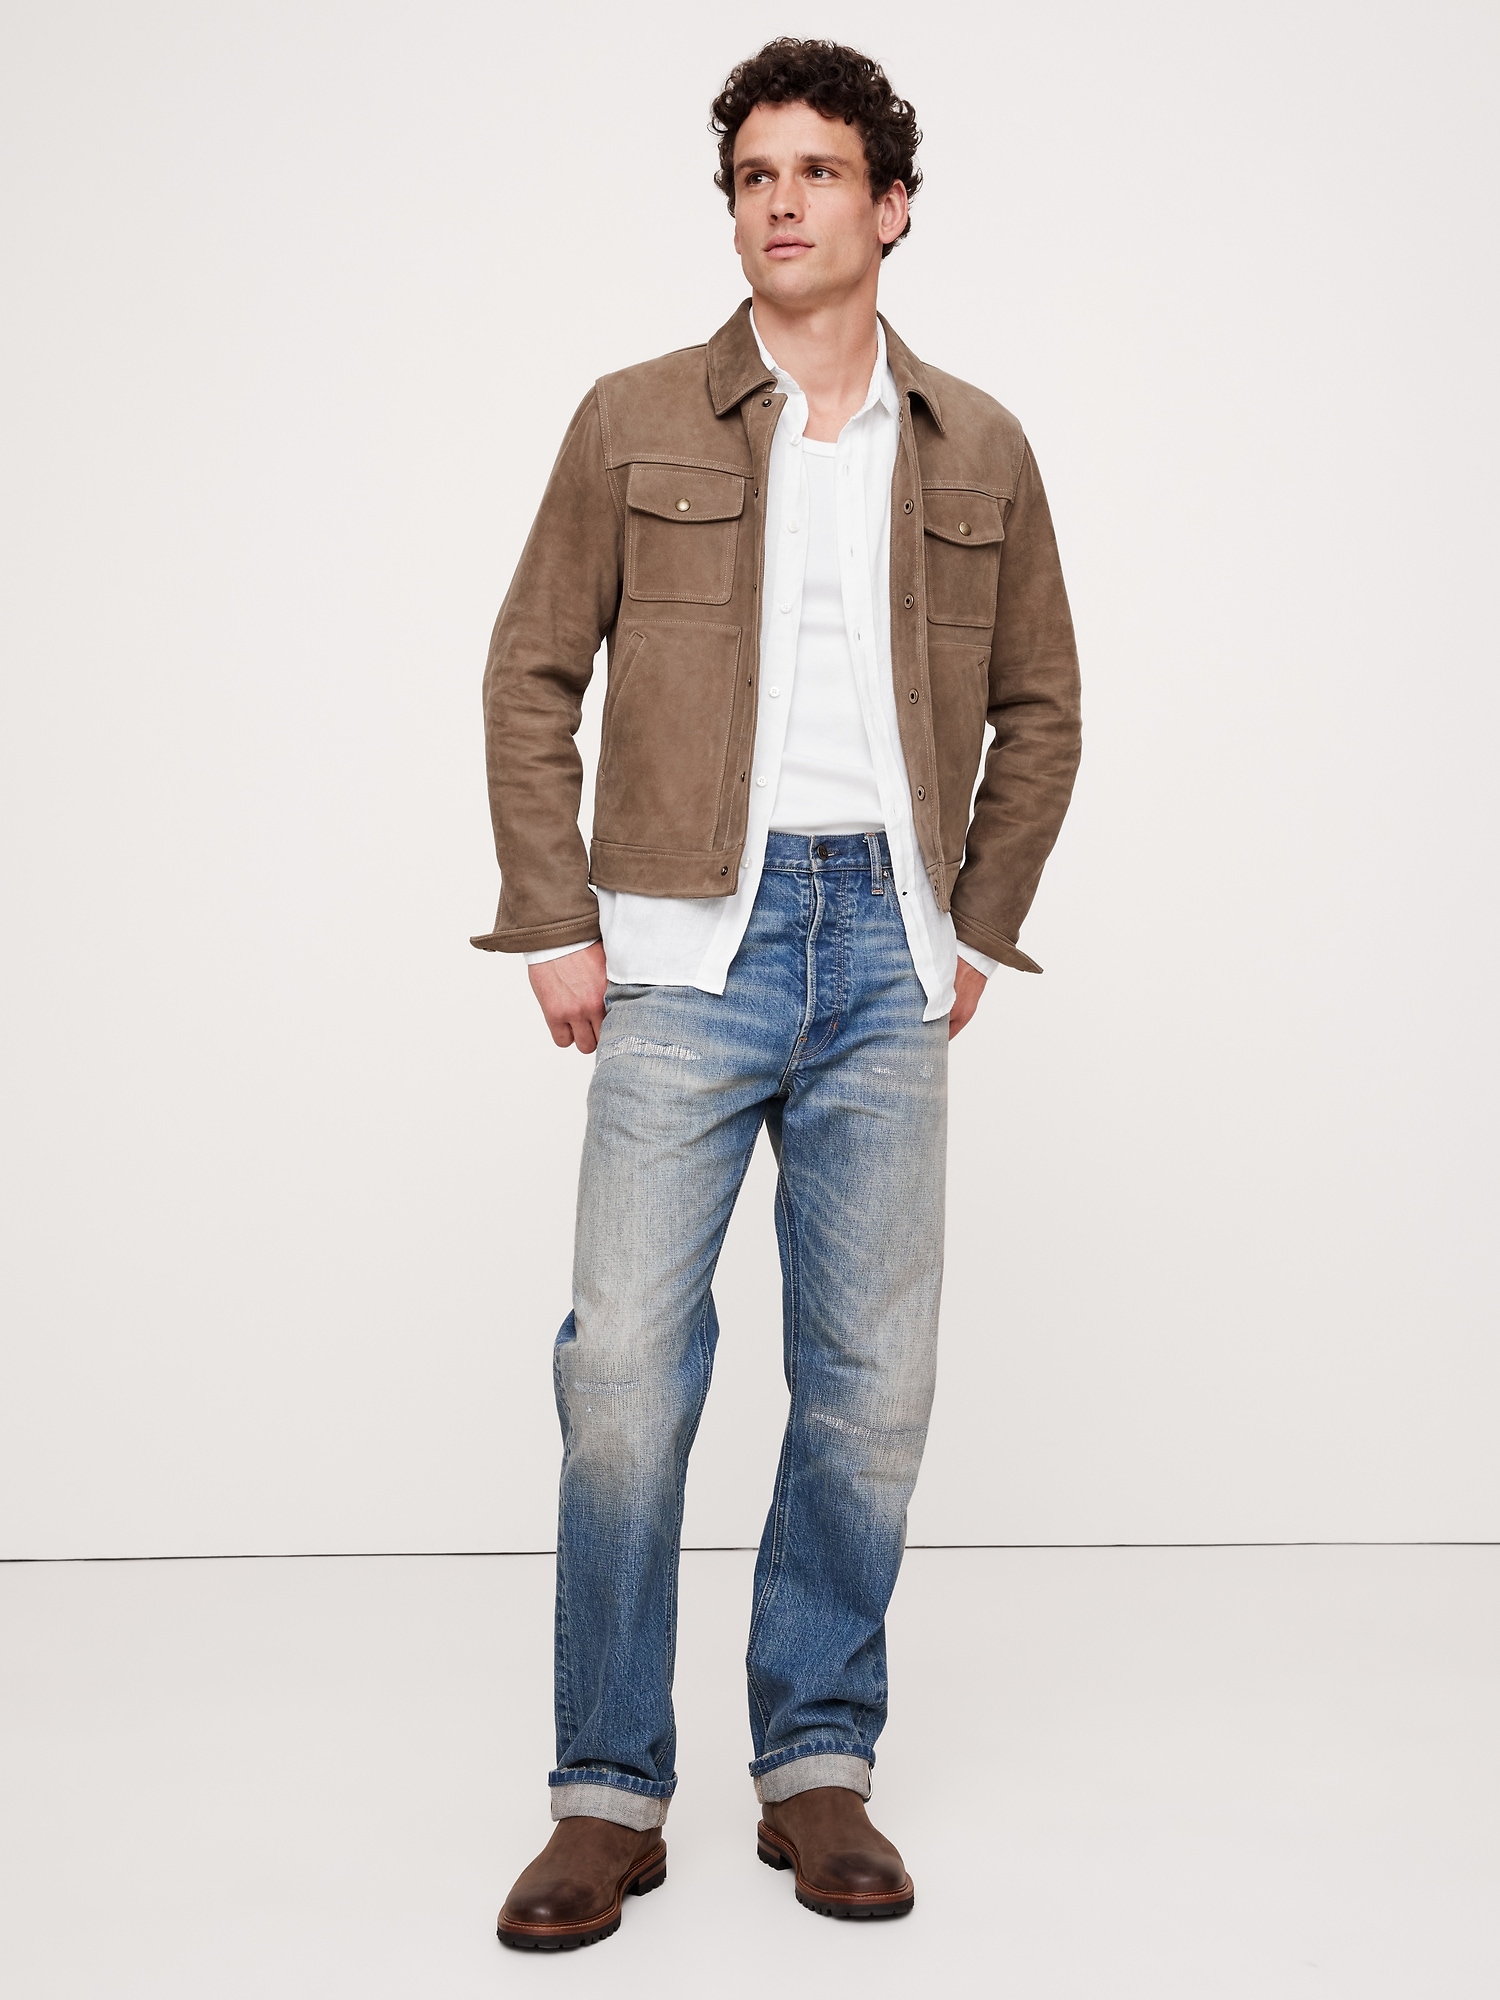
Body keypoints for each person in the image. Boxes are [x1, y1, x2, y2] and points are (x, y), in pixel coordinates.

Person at [474, 37, 1081, 1951]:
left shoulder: (980, 445)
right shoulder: (631, 418)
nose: (785, 200)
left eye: (821, 170)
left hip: (887, 950)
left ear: (891, 206)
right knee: (622, 1383)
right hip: (681, 949)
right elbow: (528, 670)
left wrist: (970, 927)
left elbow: (1044, 707)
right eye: (756, 173)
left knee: (870, 1392)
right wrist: (554, 915)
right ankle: (606, 1794)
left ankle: (817, 1761)